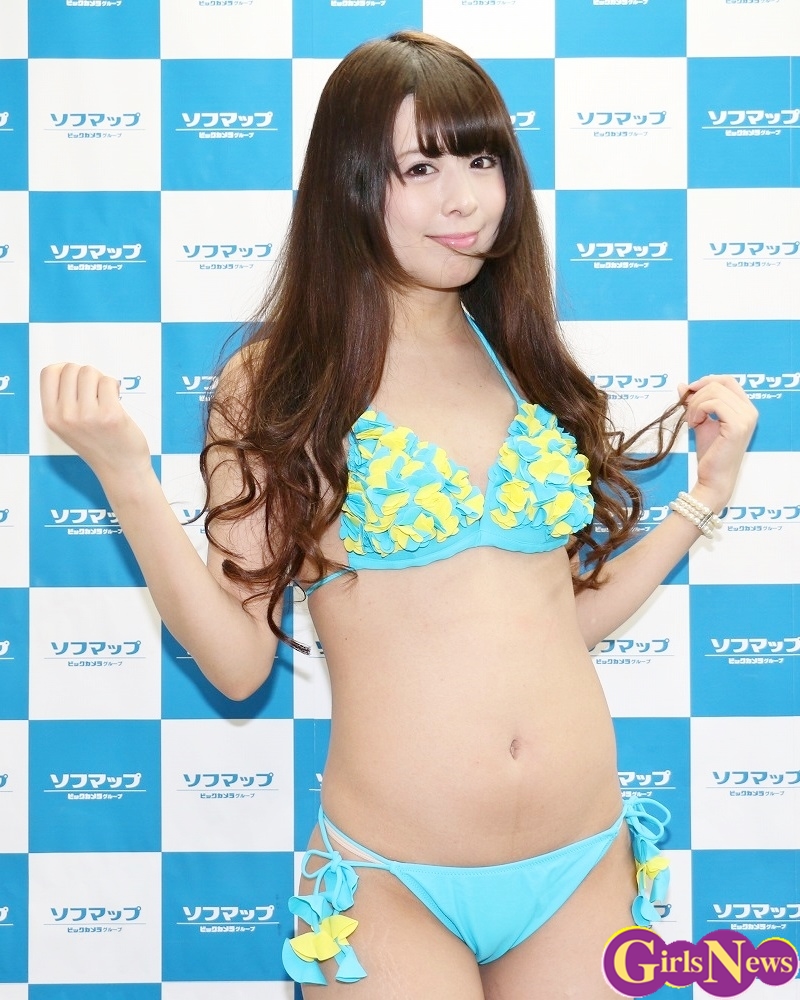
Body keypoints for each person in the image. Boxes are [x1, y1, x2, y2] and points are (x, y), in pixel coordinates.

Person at [41, 30, 757, 1000]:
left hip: (581, 860)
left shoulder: (524, 360)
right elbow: (239, 661)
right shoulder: (278, 383)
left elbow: (561, 619)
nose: (464, 198)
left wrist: (704, 498)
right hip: (389, 883)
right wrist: (127, 477)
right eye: (419, 168)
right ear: (347, 183)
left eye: (481, 160)